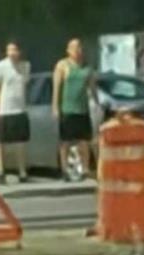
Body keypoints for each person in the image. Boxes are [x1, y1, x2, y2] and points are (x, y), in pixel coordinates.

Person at [52, 38, 97, 182]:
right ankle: (64, 170)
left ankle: (85, 169)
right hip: (67, 109)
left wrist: (97, 101)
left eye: (79, 48)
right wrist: (55, 107)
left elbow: (92, 87)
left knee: (84, 141)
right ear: (68, 50)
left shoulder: (87, 68)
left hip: (82, 109)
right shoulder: (62, 65)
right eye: (74, 48)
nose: (77, 51)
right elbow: (56, 88)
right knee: (65, 141)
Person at [0, 41, 31, 184]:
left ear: (20, 51)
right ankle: (1, 172)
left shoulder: (25, 66)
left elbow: (24, 86)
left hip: (20, 109)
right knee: (1, 142)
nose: (13, 53)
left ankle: (22, 172)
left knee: (20, 142)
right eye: (10, 50)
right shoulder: (0, 66)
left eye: (15, 50)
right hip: (4, 110)